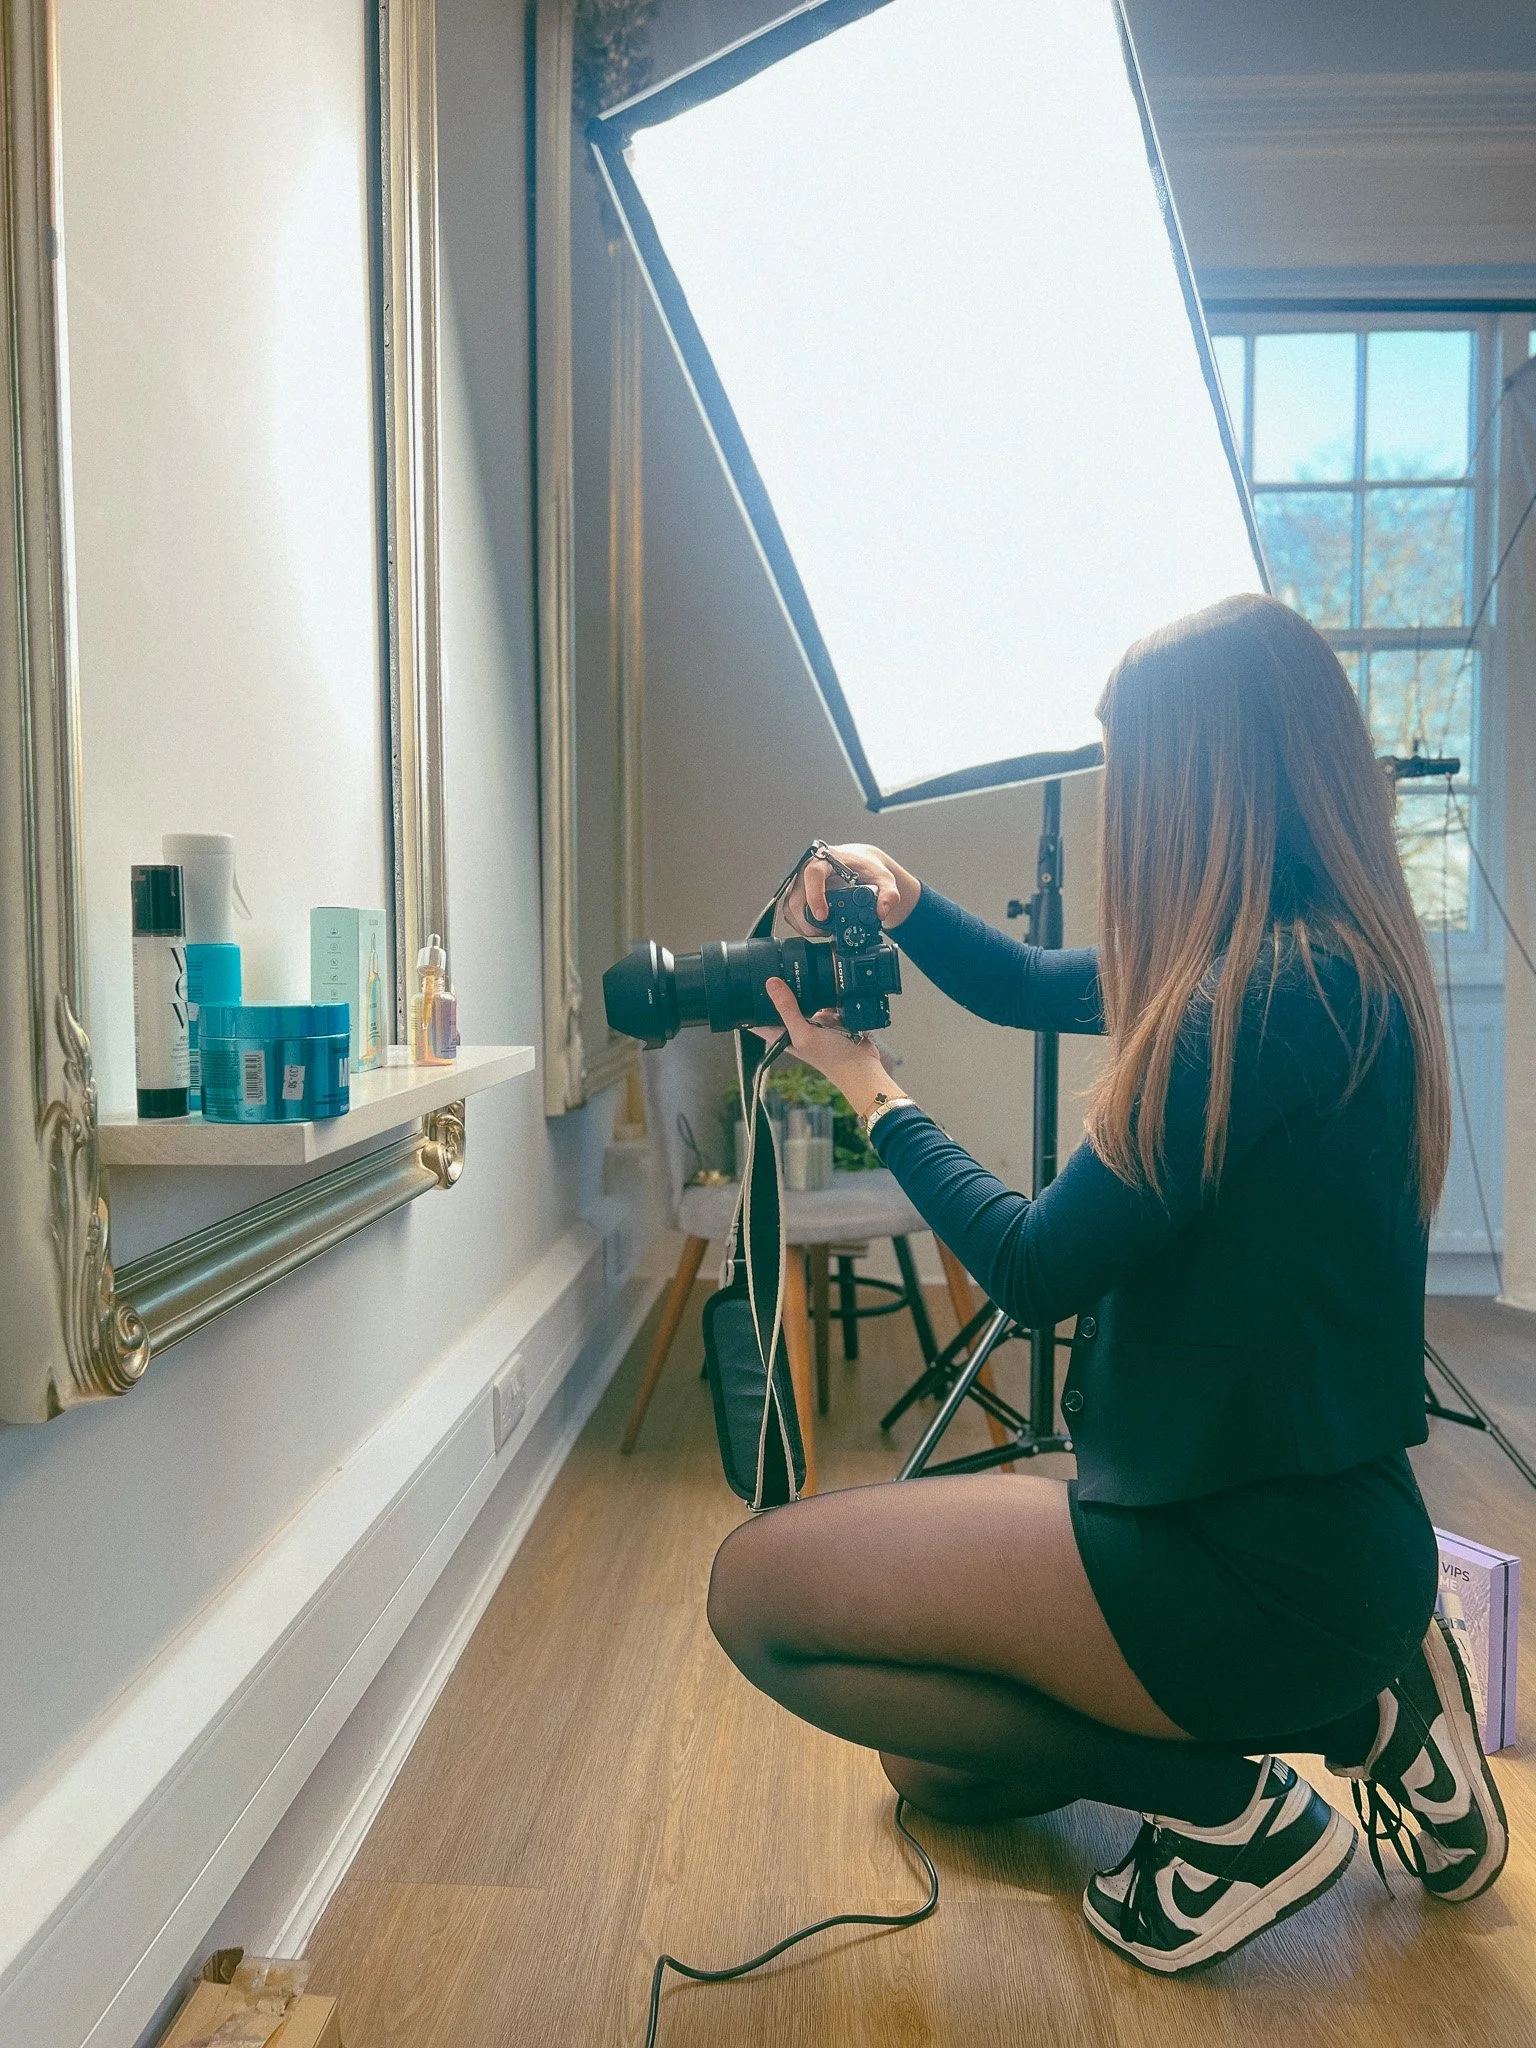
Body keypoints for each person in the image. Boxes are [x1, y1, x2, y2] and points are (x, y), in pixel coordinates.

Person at [704, 592, 1508, 1975]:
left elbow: (1031, 1269)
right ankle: (1377, 1719)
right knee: (930, 1763)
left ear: (1202, 779)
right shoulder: (1318, 961)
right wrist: (903, 900)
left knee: (758, 1597)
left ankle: (1239, 1816)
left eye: (1132, 769)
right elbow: (1022, 980)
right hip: (1320, 1549)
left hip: (1244, 1569)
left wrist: (868, 1089)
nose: (1121, 800)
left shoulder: (1241, 1008)